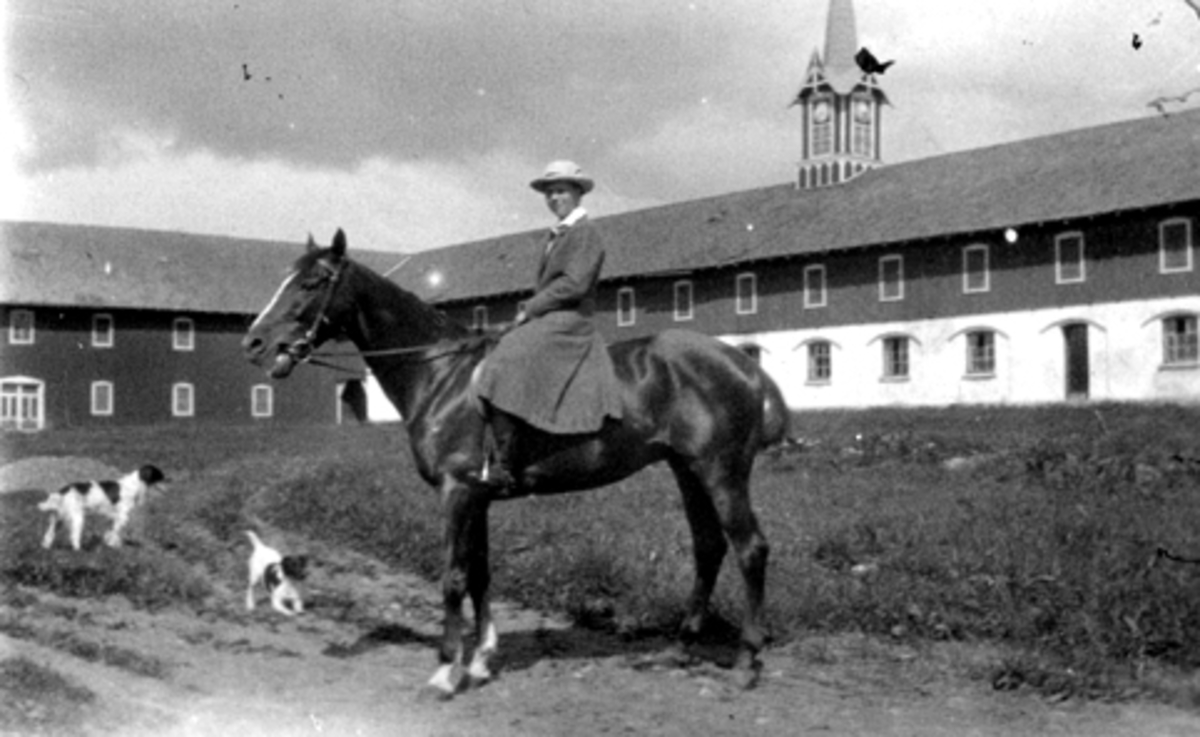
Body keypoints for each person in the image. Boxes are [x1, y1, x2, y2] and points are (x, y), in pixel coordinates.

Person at [472, 160, 623, 490]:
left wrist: (531, 308)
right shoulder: (557, 234)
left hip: (571, 319)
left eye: (561, 191)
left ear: (578, 193)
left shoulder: (586, 233)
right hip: (551, 316)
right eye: (549, 193)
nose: (554, 198)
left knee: (507, 356)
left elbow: (575, 284)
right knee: (501, 346)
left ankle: (504, 464)